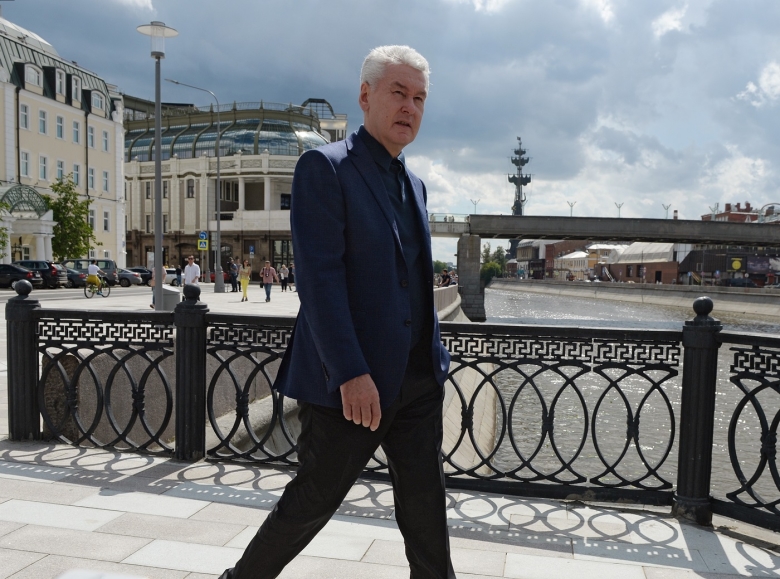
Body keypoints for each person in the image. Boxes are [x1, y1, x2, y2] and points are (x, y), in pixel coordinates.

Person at [220, 45, 454, 579]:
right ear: (366, 96)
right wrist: (350, 372)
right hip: (356, 383)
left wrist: (434, 362)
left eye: (420, 98)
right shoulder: (326, 167)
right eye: (399, 93)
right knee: (312, 501)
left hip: (418, 379)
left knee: (426, 506)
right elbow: (319, 281)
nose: (410, 107)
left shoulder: (415, 184)